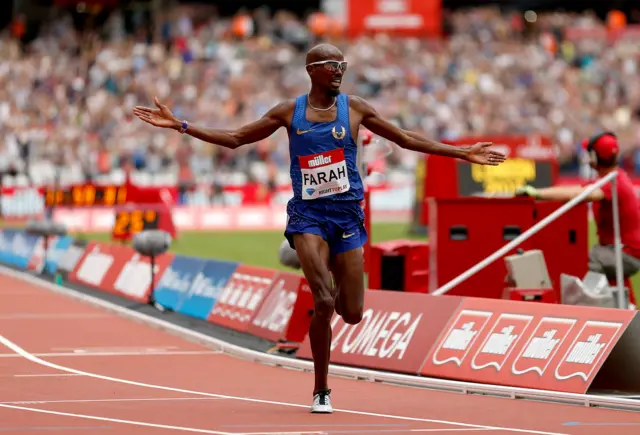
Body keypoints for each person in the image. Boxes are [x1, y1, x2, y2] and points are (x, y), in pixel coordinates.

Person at [132, 43, 507, 413]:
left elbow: (405, 139)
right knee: (323, 301)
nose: (340, 70)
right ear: (312, 70)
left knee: (353, 311)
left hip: (346, 217)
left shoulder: (355, 108)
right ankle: (321, 390)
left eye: (343, 64)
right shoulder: (288, 112)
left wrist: (463, 153)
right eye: (331, 65)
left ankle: (334, 275)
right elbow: (235, 138)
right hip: (307, 216)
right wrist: (181, 125)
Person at [516, 132, 640, 305]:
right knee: (613, 279)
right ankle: (628, 311)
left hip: (624, 252)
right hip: (622, 250)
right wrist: (539, 193)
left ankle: (576, 309)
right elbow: (576, 189)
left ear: (595, 158)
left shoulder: (612, 182)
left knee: (580, 263)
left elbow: (583, 194)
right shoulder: (613, 178)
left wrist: (538, 193)